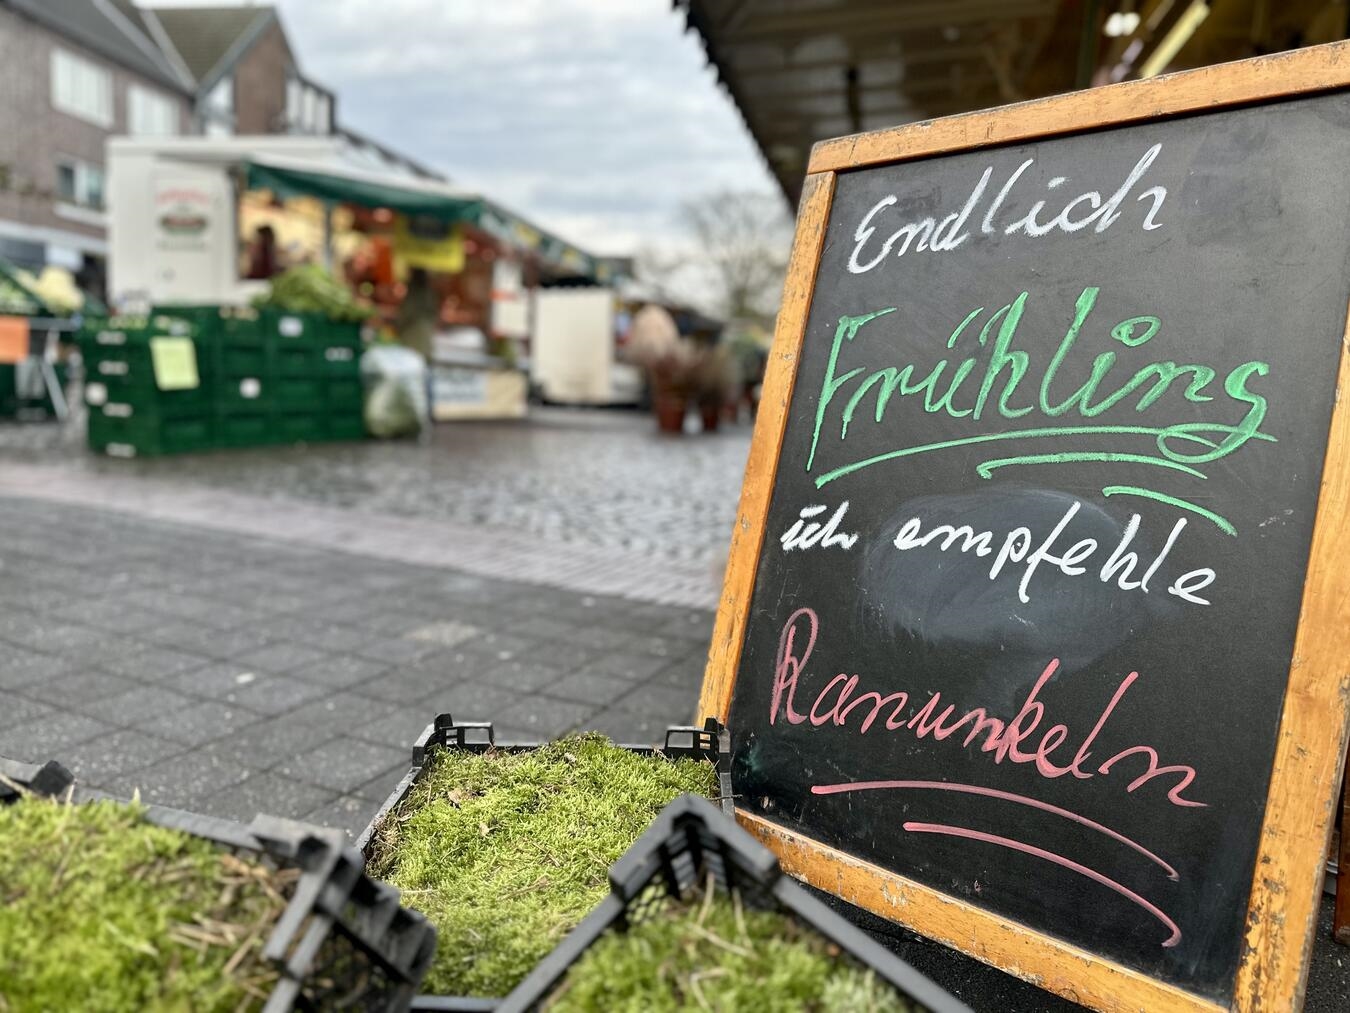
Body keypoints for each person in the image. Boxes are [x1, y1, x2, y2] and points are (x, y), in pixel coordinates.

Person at [395, 267, 438, 362]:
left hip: (413, 339)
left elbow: (406, 314)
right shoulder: (428, 293)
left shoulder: (414, 294)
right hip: (424, 338)